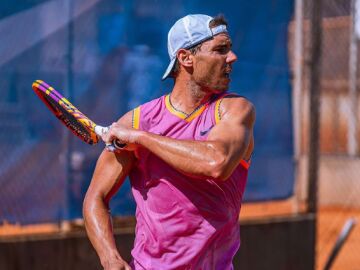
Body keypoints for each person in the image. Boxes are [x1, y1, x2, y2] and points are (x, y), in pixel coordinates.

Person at [83, 14, 255, 270]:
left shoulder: (234, 110)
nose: (232, 57)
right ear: (186, 58)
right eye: (221, 50)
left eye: (229, 49)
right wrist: (110, 258)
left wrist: (141, 138)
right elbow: (95, 197)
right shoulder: (137, 120)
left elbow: (216, 161)